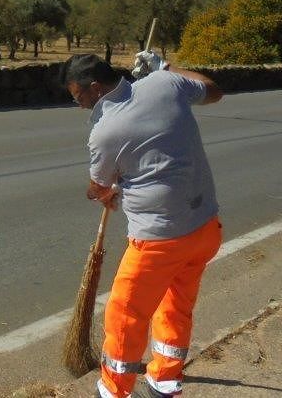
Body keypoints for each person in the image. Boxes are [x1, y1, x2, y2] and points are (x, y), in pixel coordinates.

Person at [62, 51, 225, 398]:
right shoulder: (165, 83)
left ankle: (114, 388)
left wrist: (104, 192)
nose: (79, 106)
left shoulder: (104, 131)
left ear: (95, 87)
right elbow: (213, 90)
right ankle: (165, 379)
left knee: (125, 313)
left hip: (159, 241)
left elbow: (99, 188)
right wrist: (166, 67)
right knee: (176, 302)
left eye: (78, 97)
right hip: (205, 228)